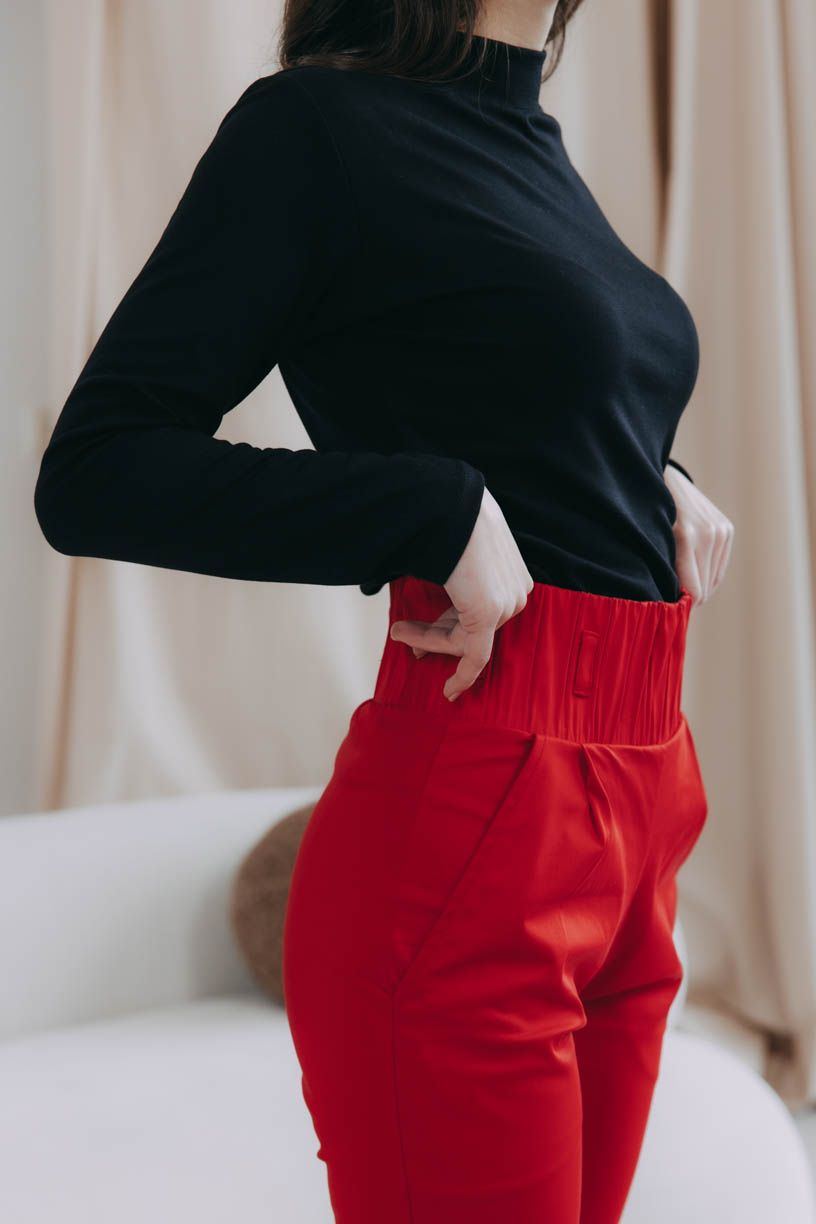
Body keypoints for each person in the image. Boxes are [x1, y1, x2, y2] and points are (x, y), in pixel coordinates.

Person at [33, 1, 735, 1220]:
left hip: (646, 808)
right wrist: (428, 512)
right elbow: (96, 472)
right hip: (481, 819)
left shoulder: (532, 144)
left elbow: (499, 386)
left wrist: (645, 475)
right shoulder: (315, 129)